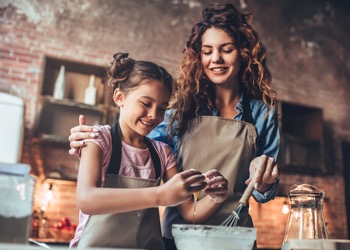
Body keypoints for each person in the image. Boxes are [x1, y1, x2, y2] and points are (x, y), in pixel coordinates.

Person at [69, 3, 280, 250]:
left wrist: (263, 179)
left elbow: (263, 191)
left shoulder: (262, 115)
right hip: (178, 240)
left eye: (227, 49)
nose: (216, 59)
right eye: (207, 50)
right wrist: (88, 141)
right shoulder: (178, 111)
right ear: (198, 56)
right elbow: (136, 143)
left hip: (234, 238)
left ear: (242, 53)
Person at [69, 52, 229, 250]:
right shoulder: (99, 140)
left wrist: (216, 197)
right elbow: (86, 200)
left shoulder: (162, 154)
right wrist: (160, 195)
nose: (154, 115)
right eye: (145, 104)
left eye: (161, 108)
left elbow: (190, 213)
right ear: (120, 97)